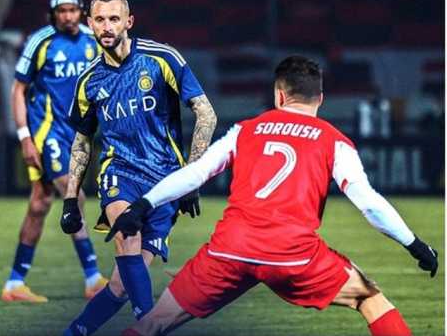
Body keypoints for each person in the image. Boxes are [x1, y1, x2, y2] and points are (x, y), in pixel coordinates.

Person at [109, 56, 439, 336]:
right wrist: (415, 245)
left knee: (154, 323)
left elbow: (196, 173)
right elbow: (368, 203)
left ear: (279, 95)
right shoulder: (334, 141)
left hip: (229, 252)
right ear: (320, 99)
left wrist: (143, 204)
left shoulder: (245, 129)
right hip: (292, 257)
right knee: (369, 298)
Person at [60, 0, 217, 336]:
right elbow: (82, 140)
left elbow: (206, 114)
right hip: (120, 172)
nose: (107, 26)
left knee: (120, 284)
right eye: (99, 19)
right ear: (89, 24)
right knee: (126, 232)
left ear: (129, 22)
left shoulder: (162, 59)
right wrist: (72, 197)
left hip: (166, 180)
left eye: (114, 19)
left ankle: (75, 331)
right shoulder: (89, 81)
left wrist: (192, 177)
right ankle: (148, 328)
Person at [1, 0, 108, 303]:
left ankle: (14, 284)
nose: (68, 16)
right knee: (74, 195)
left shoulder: (94, 40)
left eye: (73, 10)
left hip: (76, 134)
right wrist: (24, 136)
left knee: (40, 203)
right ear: (53, 15)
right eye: (62, 11)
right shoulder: (41, 42)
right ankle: (93, 279)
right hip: (47, 133)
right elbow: (18, 89)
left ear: (81, 12)